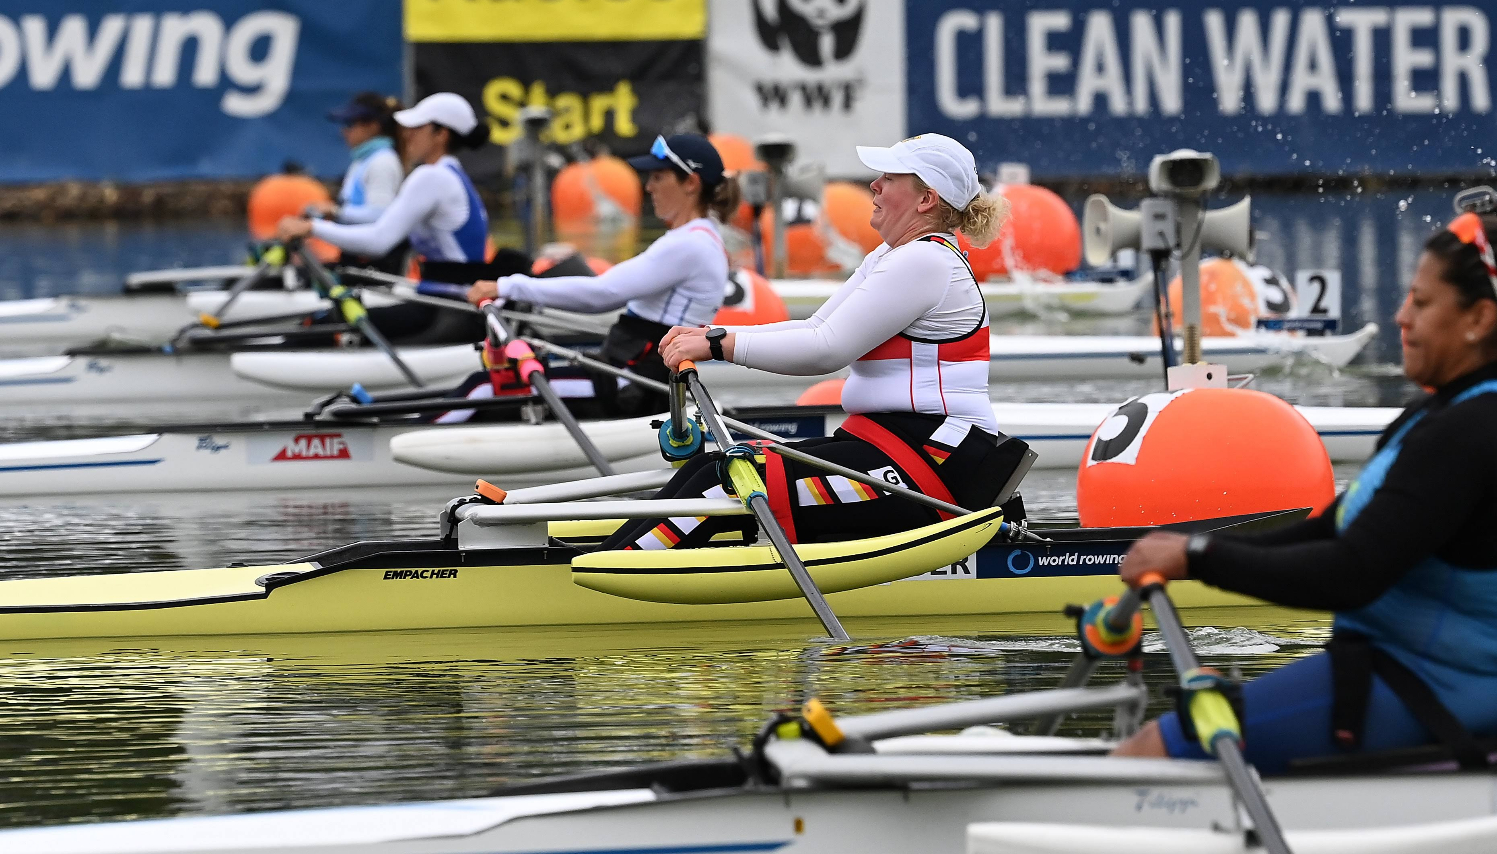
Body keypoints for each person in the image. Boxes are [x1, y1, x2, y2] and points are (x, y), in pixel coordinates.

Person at [1113, 209, 1497, 773]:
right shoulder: (1437, 415)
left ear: (1478, 318)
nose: (1400, 317)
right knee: (1183, 724)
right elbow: (1328, 529)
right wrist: (1188, 552)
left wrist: (1198, 555)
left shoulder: (1472, 431)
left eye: (1420, 302)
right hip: (1391, 666)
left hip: (1432, 687)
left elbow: (1352, 572)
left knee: (1151, 750)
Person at [597, 133, 1017, 552]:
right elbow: (815, 326)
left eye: (889, 177)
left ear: (926, 198)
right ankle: (601, 559)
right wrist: (713, 336)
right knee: (710, 466)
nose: (874, 185)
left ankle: (601, 573)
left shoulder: (925, 260)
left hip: (933, 466)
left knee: (723, 482)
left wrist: (718, 346)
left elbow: (825, 350)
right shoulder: (894, 256)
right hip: (892, 445)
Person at [466, 133, 734, 415]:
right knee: (489, 385)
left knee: (482, 389)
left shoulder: (690, 244)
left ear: (690, 182)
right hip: (627, 375)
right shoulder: (695, 238)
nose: (648, 187)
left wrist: (507, 287)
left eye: (658, 177)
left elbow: (603, 294)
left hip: (632, 385)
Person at [277, 92, 491, 342]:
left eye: (417, 127)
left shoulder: (432, 177)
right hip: (446, 303)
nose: (406, 134)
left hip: (447, 311)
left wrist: (312, 228)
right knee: (329, 321)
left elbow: (379, 241)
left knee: (321, 326)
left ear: (440, 134)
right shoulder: (452, 173)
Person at [325, 92, 404, 227]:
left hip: (369, 248)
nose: (344, 131)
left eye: (350, 123)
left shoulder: (383, 162)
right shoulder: (363, 160)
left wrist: (335, 212)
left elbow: (380, 215)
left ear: (373, 126)